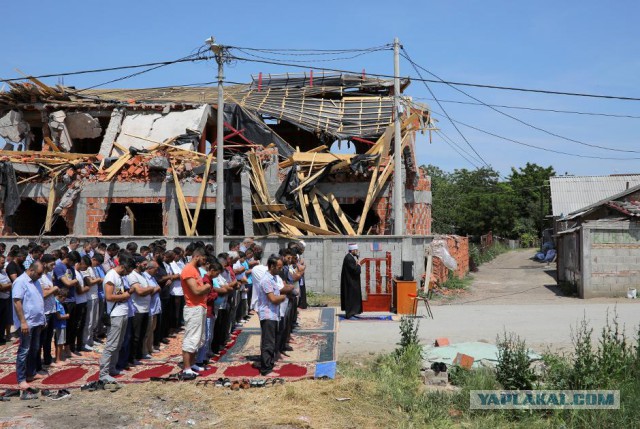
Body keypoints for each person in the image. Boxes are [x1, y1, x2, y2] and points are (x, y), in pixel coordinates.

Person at [98, 253, 134, 389]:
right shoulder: (111, 276)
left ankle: (112, 368)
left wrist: (125, 294)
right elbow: (108, 296)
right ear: (123, 267)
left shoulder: (120, 277)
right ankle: (103, 373)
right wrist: (124, 295)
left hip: (123, 312)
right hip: (115, 314)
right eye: (128, 271)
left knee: (118, 344)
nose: (128, 274)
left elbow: (119, 293)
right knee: (111, 345)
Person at [13, 261, 45, 397]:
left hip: (37, 321)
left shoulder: (36, 281)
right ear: (31, 270)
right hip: (27, 322)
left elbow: (39, 299)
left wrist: (42, 318)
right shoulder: (20, 282)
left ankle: (31, 373)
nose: (40, 276)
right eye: (39, 273)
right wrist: (23, 322)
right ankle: (21, 379)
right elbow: (17, 302)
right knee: (24, 350)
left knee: (35, 348)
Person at [256, 256, 292, 376]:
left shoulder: (273, 278)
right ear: (272, 266)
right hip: (268, 314)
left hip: (273, 314)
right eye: (279, 267)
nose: (280, 270)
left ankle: (269, 363)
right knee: (268, 342)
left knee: (272, 340)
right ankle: (266, 369)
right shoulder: (266, 280)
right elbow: (273, 299)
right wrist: (283, 297)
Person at [179, 248, 211, 379]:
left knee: (198, 338)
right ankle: (186, 368)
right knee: (191, 338)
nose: (204, 262)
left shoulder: (195, 270)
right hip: (193, 307)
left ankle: (192, 364)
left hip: (200, 306)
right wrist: (208, 287)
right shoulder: (188, 270)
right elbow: (196, 291)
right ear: (197, 256)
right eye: (203, 259)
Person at [127, 256, 155, 363]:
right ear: (138, 264)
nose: (146, 267)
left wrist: (148, 289)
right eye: (144, 264)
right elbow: (140, 292)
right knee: (136, 335)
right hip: (137, 309)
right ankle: (132, 357)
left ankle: (138, 355)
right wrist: (150, 288)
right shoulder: (133, 276)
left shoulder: (142, 275)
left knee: (143, 334)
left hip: (146, 308)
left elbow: (147, 290)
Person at [37, 254, 58, 371]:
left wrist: (51, 290)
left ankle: (47, 359)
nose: (53, 266)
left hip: (52, 309)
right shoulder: (39, 277)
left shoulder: (49, 275)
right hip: (44, 312)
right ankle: (37, 363)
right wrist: (53, 289)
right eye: (52, 264)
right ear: (44, 264)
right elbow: (43, 294)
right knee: (41, 338)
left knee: (49, 337)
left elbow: (48, 291)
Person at [81, 255, 102, 351]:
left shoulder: (93, 269)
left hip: (95, 296)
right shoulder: (86, 268)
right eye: (96, 263)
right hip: (89, 297)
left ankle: (91, 339)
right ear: (93, 259)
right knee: (88, 321)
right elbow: (89, 282)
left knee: (94, 321)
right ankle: (85, 341)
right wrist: (98, 279)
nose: (96, 265)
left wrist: (96, 280)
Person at [340, 243, 363, 319]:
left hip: (351, 282)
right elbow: (355, 270)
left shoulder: (350, 257)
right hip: (350, 283)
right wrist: (359, 265)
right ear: (352, 250)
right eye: (356, 250)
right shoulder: (348, 258)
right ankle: (349, 314)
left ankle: (353, 312)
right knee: (350, 297)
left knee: (353, 298)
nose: (357, 251)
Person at [51, 288, 70, 367]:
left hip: (62, 325)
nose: (64, 300)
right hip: (59, 326)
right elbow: (58, 316)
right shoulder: (57, 303)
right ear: (60, 296)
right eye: (64, 298)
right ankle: (58, 359)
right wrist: (66, 316)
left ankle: (60, 357)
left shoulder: (59, 302)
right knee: (59, 343)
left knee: (61, 342)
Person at [0, 255, 12, 345]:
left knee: (4, 320)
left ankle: (1, 337)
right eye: (2, 263)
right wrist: (8, 286)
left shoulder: (4, 272)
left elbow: (10, 283)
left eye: (4, 262)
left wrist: (6, 286)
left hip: (6, 298)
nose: (3, 265)